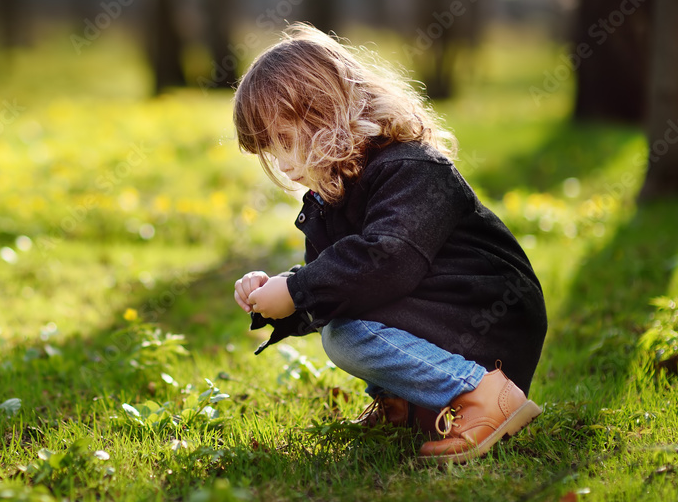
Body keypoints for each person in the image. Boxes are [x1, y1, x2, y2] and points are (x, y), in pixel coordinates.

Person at [231, 23, 548, 464]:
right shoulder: (330, 199)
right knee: (343, 310)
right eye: (270, 148)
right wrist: (280, 291)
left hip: (487, 317)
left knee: (345, 335)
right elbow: (338, 281)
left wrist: (298, 289)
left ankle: (486, 395)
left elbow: (387, 260)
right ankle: (401, 404)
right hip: (441, 317)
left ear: (327, 112)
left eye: (286, 139)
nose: (283, 164)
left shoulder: (413, 169)